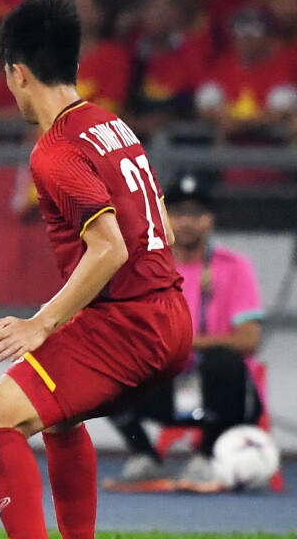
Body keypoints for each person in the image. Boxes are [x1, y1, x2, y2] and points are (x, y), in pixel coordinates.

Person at [0, 0, 192, 539]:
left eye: (7, 75)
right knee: (58, 419)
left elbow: (110, 248)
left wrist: (43, 322)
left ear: (17, 72)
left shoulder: (55, 152)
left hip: (130, 324)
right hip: (167, 311)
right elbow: (161, 230)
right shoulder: (110, 123)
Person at [105, 174, 264, 493]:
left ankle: (206, 458)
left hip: (215, 389)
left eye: (197, 213)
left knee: (224, 361)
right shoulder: (144, 267)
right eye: (178, 212)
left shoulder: (233, 266)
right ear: (164, 217)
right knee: (106, 362)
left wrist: (185, 342)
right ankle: (145, 458)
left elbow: (249, 340)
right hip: (163, 384)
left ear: (210, 220)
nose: (187, 222)